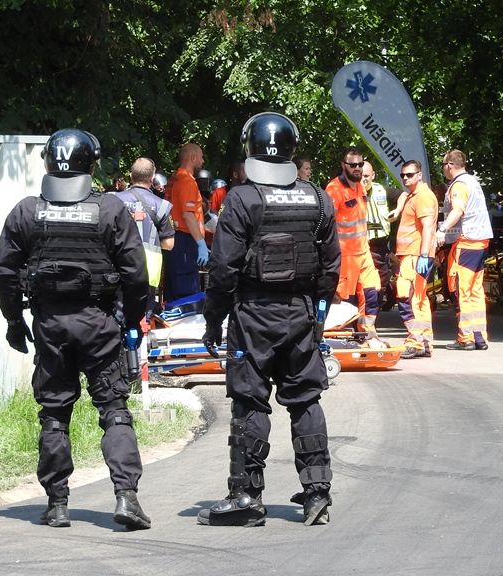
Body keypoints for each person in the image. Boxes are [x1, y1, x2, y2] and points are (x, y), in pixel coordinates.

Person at [0, 128, 152, 530]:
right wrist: (131, 322)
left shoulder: (27, 211)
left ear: (48, 162)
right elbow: (136, 275)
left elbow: (3, 274)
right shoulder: (110, 210)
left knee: (54, 415)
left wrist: (14, 322)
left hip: (50, 327)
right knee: (114, 410)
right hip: (99, 326)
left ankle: (57, 503)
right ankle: (127, 497)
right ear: (92, 165)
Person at [197, 112, 340, 527]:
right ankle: (317, 492)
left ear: (250, 148)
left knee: (249, 400)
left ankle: (246, 496)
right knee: (305, 399)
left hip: (253, 315)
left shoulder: (242, 199)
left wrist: (213, 320)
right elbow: (331, 267)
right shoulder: (318, 198)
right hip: (301, 312)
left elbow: (223, 268)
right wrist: (317, 314)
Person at [325, 147, 384, 343]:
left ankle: (368, 334)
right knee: (341, 298)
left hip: (363, 251)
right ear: (344, 166)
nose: (357, 168)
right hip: (344, 255)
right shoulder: (334, 190)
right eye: (353, 165)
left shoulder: (360, 187)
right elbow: (326, 224)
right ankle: (335, 337)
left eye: (360, 164)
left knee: (371, 293)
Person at [437, 150, 492, 350]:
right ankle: (479, 337)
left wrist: (442, 230)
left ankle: (466, 338)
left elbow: (458, 210)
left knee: (462, 291)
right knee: (475, 291)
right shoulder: (473, 182)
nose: (443, 169)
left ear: (449, 165)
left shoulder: (459, 185)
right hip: (480, 242)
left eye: (443, 165)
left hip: (467, 243)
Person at [111, 157, 176, 324]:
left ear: (131, 175)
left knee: (117, 315)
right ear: (152, 178)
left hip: (118, 265)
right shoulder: (162, 206)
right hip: (148, 270)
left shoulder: (113, 200)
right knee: (142, 320)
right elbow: (169, 244)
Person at [386, 160, 438, 358]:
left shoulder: (423, 196)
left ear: (419, 175)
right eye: (403, 175)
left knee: (406, 296)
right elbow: (402, 195)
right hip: (413, 255)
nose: (405, 178)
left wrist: (423, 255)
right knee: (418, 298)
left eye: (410, 175)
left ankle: (416, 342)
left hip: (416, 255)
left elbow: (427, 227)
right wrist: (398, 210)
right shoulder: (413, 195)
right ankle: (424, 342)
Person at [163, 143, 208, 301]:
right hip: (184, 244)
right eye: (201, 157)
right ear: (193, 157)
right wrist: (201, 243)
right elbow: (188, 215)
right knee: (187, 294)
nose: (203, 161)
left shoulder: (175, 178)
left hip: (175, 240)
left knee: (174, 291)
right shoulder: (187, 181)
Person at [363, 161, 395, 310]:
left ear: (373, 175)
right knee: (364, 282)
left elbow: (403, 195)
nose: (363, 179)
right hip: (360, 244)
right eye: (361, 176)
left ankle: (383, 299)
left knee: (381, 280)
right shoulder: (350, 191)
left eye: (366, 176)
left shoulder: (381, 190)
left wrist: (397, 211)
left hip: (379, 243)